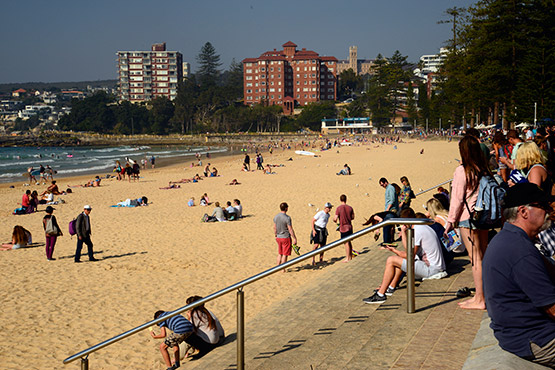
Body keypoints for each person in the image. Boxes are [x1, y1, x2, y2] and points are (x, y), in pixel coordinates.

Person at [483, 183, 555, 367]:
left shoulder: (511, 238)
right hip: (536, 338)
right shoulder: (519, 250)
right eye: (543, 206)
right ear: (523, 212)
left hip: (520, 333)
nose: (549, 210)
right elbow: (552, 308)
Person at [444, 135, 491, 310]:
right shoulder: (483, 169)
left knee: (475, 259)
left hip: (468, 218)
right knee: (483, 256)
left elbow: (456, 199)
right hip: (484, 215)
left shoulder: (462, 170)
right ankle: (484, 295)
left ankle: (480, 298)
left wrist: (450, 221)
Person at [363, 208, 447, 304]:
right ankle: (391, 287)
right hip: (436, 266)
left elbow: (409, 255)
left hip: (432, 269)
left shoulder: (417, 230)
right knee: (400, 260)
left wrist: (395, 250)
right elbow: (408, 251)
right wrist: (403, 233)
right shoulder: (421, 226)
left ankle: (381, 294)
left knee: (391, 260)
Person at [273, 202, 298, 269]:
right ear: (286, 208)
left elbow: (274, 227)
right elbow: (290, 229)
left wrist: (275, 235)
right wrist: (294, 238)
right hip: (285, 237)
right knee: (285, 254)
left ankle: (277, 267)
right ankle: (283, 269)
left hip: (278, 237)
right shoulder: (287, 218)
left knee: (280, 253)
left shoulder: (276, 217)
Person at [334, 194, 355, 262]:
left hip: (343, 227)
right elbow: (352, 217)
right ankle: (350, 256)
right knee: (349, 242)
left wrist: (335, 220)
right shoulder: (350, 208)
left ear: (340, 200)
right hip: (349, 226)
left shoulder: (339, 208)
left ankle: (348, 257)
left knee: (346, 243)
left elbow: (335, 218)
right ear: (346, 199)